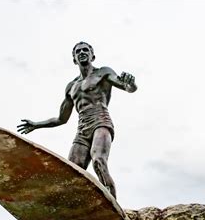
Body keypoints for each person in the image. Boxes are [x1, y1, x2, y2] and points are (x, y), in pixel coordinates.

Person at [17, 42, 137, 199]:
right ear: (74, 59)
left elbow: (128, 87)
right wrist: (36, 125)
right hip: (82, 130)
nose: (82, 52)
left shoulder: (103, 73)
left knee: (98, 160)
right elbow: (61, 118)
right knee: (71, 172)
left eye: (85, 50)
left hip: (100, 121)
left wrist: (131, 83)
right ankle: (74, 208)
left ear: (92, 55)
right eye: (78, 51)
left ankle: (113, 204)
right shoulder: (71, 87)